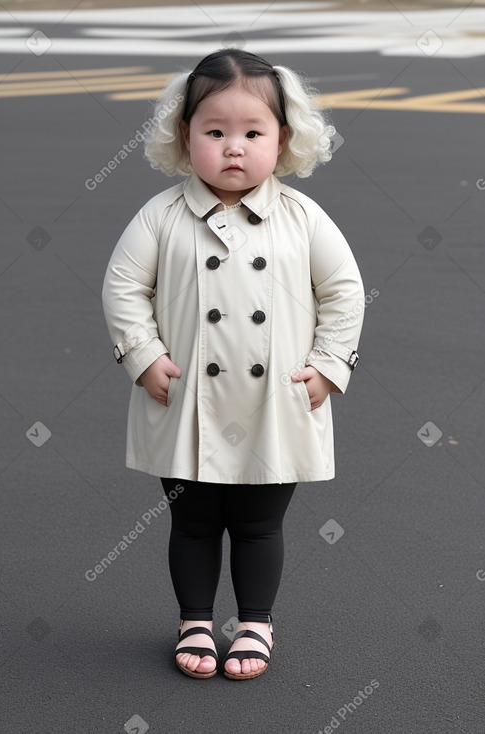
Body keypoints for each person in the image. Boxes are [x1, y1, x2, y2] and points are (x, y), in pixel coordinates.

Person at [102, 48, 365, 681]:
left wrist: (329, 365)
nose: (233, 148)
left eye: (253, 133)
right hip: (185, 397)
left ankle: (255, 622)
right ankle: (195, 618)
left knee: (258, 523)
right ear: (183, 135)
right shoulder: (163, 216)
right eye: (214, 132)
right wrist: (143, 356)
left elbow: (345, 290)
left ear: (285, 138)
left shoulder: (302, 218)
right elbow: (122, 287)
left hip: (276, 400)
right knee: (191, 521)